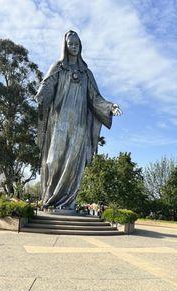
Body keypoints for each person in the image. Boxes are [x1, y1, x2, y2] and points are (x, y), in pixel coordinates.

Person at [35, 30, 122, 208]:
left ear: (80, 46)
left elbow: (95, 98)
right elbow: (47, 85)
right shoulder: (58, 67)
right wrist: (41, 94)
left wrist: (110, 107)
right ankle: (50, 200)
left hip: (79, 125)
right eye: (70, 44)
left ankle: (68, 203)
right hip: (59, 122)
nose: (74, 47)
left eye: (77, 44)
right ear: (65, 46)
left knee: (74, 163)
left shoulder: (86, 73)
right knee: (53, 160)